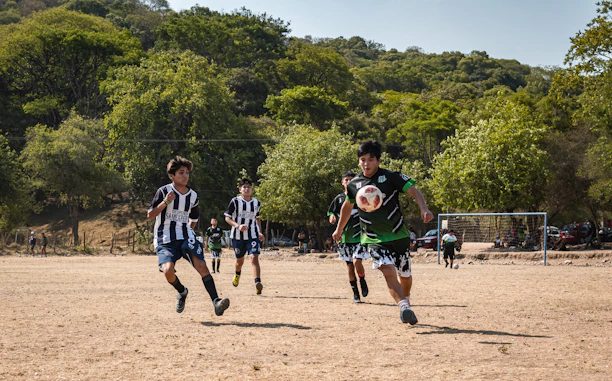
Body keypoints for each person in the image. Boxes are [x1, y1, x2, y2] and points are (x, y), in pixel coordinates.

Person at [332, 141, 434, 325]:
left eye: (371, 159)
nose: (366, 163)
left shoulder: (390, 177)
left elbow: (415, 191)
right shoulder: (354, 184)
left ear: (378, 160)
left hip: (398, 234)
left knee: (405, 274)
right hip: (373, 237)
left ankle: (406, 298)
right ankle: (404, 307)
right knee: (388, 271)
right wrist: (339, 229)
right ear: (358, 162)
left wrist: (424, 208)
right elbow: (347, 207)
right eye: (362, 160)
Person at [147, 156, 229, 316]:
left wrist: (188, 233)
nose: (185, 176)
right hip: (165, 239)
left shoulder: (193, 196)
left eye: (187, 173)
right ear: (172, 175)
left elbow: (194, 218)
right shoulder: (164, 191)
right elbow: (150, 215)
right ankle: (182, 292)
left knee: (202, 266)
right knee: (168, 271)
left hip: (185, 236)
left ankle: (216, 302)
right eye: (181, 172)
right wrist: (165, 202)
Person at [328, 170, 370, 303]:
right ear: (342, 183)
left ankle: (362, 279)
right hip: (344, 238)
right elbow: (331, 211)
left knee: (357, 261)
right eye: (346, 180)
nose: (349, 182)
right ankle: (355, 294)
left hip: (360, 236)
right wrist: (332, 216)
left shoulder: (360, 197)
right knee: (350, 266)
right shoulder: (339, 199)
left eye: (352, 179)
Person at [224, 178, 265, 295]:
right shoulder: (235, 201)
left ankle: (257, 283)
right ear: (240, 190)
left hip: (252, 235)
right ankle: (237, 274)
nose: (246, 189)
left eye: (249, 187)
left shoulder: (257, 203)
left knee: (254, 258)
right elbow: (227, 217)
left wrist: (259, 232)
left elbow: (257, 219)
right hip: (238, 236)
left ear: (252, 190)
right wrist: (237, 226)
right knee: (239, 261)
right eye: (244, 187)